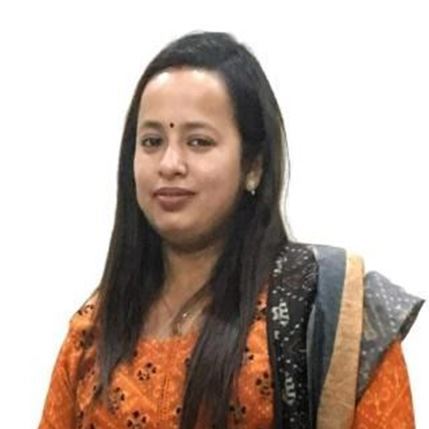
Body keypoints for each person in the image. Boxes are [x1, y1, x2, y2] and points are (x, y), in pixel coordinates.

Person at [38, 31, 424, 429]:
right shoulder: (94, 332)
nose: (169, 164)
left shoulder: (332, 312)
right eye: (152, 141)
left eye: (199, 142)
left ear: (254, 165)